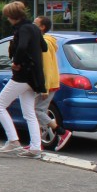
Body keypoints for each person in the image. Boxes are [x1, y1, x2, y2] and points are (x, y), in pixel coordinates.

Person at [0, 1, 46, 158]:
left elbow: (22, 47)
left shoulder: (22, 29)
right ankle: (36, 147)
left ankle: (13, 140)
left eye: (7, 16)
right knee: (29, 113)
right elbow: (44, 47)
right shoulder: (34, 28)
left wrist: (16, 62)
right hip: (34, 77)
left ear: (11, 16)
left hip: (22, 76)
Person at [34, 15, 73, 151]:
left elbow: (45, 65)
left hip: (47, 83)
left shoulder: (44, 42)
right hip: (51, 81)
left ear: (42, 27)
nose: (33, 24)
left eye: (35, 23)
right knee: (39, 111)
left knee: (37, 111)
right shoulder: (48, 41)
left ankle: (62, 132)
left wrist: (43, 87)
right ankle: (37, 143)